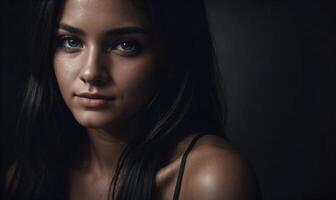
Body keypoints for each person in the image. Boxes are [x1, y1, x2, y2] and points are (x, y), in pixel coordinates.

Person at [4, 0, 260, 199]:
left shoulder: (211, 179)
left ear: (171, 56)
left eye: (125, 45)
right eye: (71, 42)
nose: (91, 72)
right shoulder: (27, 178)